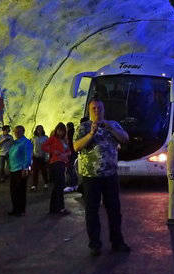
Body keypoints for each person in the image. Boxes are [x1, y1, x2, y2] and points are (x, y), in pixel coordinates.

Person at [74, 100, 130, 255]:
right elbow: (76, 146)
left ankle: (117, 242)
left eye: (99, 108)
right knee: (92, 211)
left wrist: (111, 128)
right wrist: (91, 134)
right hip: (91, 177)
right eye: (94, 108)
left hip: (110, 175)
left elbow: (125, 139)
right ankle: (95, 244)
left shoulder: (113, 124)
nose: (97, 110)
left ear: (104, 109)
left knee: (114, 210)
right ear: (89, 110)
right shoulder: (83, 127)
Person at [42, 122, 71, 215]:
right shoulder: (53, 138)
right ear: (56, 130)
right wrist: (53, 151)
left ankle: (54, 208)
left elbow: (69, 151)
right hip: (56, 163)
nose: (60, 132)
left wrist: (65, 154)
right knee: (59, 186)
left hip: (63, 163)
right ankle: (60, 208)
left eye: (62, 131)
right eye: (59, 130)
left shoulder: (65, 140)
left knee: (58, 187)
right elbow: (43, 146)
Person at [7, 126, 33, 216]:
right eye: (15, 132)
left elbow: (28, 156)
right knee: (13, 190)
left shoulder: (26, 142)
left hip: (20, 169)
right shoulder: (15, 143)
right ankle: (15, 208)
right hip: (13, 169)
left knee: (20, 190)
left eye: (18, 132)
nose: (16, 133)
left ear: (23, 131)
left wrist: (25, 168)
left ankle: (21, 210)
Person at [30, 125, 49, 191]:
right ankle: (34, 185)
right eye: (38, 129)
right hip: (35, 157)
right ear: (36, 130)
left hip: (43, 156)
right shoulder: (33, 138)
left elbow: (47, 147)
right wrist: (31, 156)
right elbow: (31, 148)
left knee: (44, 171)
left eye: (41, 129)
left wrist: (47, 156)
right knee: (35, 171)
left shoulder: (45, 138)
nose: (39, 130)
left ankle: (46, 183)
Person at [64, 122, 79, 193]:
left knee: (69, 169)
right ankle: (75, 184)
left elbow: (68, 144)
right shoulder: (75, 133)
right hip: (74, 153)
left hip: (69, 154)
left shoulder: (68, 134)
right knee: (73, 169)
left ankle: (70, 185)